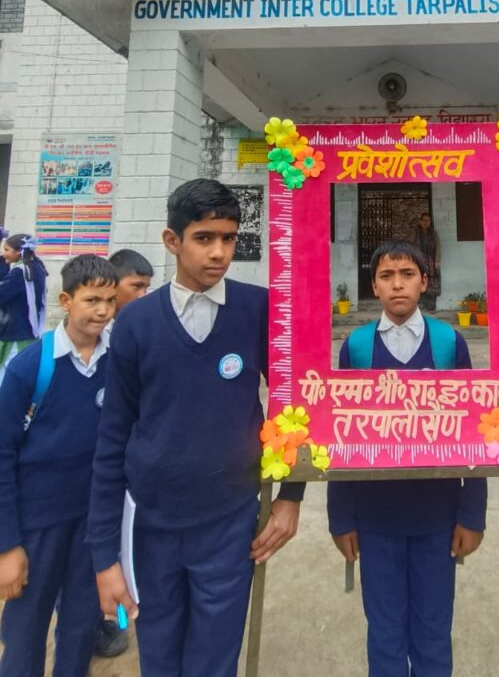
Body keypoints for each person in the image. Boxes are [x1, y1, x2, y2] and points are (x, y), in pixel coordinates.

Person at [87, 178, 304, 677]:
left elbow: (294, 407)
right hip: (152, 525)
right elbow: (113, 437)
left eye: (228, 238)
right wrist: (104, 557)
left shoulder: (258, 309)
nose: (219, 252)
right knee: (160, 655)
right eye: (204, 238)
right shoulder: (136, 323)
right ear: (172, 240)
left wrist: (291, 495)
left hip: (231, 522)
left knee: (214, 659)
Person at [328, 239, 487, 677]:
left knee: (434, 629)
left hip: (438, 517)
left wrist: (472, 514)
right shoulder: (356, 347)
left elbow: (474, 430)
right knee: (384, 630)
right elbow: (339, 434)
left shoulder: (449, 343)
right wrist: (340, 517)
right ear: (374, 287)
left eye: (407, 275)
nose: (397, 284)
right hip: (375, 518)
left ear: (424, 282)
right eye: (386, 276)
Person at [0, 254, 118, 676]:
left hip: (92, 525)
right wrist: (8, 546)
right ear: (66, 301)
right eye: (92, 300)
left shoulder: (117, 363)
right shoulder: (30, 367)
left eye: (109, 300)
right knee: (25, 630)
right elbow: (2, 456)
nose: (103, 310)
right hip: (38, 526)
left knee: (81, 626)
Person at [90, 247, 153, 660]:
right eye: (137, 287)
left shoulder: (136, 333)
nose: (143, 296)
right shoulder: (94, 337)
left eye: (148, 288)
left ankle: (113, 618)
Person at [0, 233, 48, 386]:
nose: (3, 253)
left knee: (9, 375)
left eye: (7, 250)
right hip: (29, 329)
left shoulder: (19, 272)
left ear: (18, 251)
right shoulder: (36, 267)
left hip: (17, 331)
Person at [412, 212, 441, 311]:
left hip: (431, 262)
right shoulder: (416, 232)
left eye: (427, 221)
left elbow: (438, 247)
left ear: (430, 222)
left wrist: (437, 260)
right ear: (420, 221)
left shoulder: (433, 233)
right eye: (424, 220)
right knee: (420, 280)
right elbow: (411, 245)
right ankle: (419, 307)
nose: (425, 222)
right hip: (419, 261)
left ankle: (431, 307)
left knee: (432, 283)